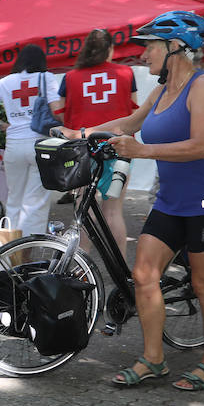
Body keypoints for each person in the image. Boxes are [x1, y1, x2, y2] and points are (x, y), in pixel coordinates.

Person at [61, 11, 204, 392]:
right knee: (143, 275)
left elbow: (202, 145)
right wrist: (80, 132)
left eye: (149, 48)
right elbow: (128, 123)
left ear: (176, 47)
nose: (142, 56)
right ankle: (153, 359)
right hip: (172, 201)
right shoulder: (161, 91)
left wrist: (141, 152)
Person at [51, 28, 139, 254]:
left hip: (83, 151)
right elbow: (134, 111)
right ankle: (119, 270)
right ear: (110, 48)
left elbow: (60, 113)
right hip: (118, 150)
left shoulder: (70, 77)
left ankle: (81, 266)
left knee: (83, 208)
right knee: (113, 210)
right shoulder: (126, 73)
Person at [0, 43, 55, 235]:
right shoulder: (46, 78)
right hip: (39, 144)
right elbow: (58, 109)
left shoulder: (6, 81)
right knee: (36, 202)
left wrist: (3, 126)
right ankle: (27, 254)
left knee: (14, 200)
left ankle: (11, 253)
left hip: (14, 145)